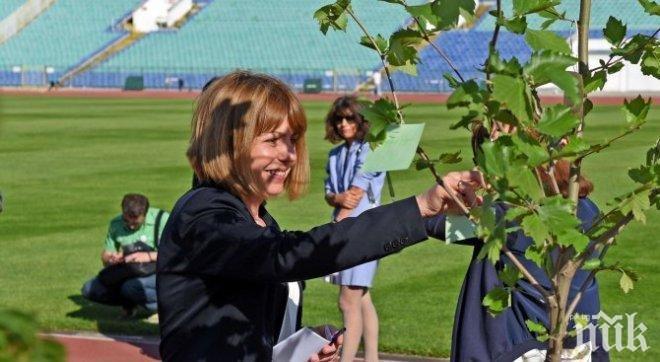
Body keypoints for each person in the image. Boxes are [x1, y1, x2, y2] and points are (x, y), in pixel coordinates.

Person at [156, 71, 482, 362]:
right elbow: (287, 255)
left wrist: (296, 352)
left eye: (292, 139)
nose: (288, 155)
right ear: (230, 144)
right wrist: (420, 209)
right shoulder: (203, 216)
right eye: (272, 140)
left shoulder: (261, 221)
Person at [425, 123, 609, 361]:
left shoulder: (510, 217)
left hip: (523, 347)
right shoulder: (590, 209)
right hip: (580, 344)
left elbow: (435, 224)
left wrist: (460, 197)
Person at [323, 96, 384, 362]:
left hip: (362, 231)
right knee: (361, 300)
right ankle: (371, 359)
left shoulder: (372, 150)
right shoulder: (335, 155)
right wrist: (337, 199)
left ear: (361, 121)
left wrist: (335, 226)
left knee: (347, 302)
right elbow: (331, 194)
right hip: (346, 227)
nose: (344, 124)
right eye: (339, 119)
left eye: (350, 118)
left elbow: (356, 194)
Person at [82, 193, 169, 317]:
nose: (131, 226)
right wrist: (111, 258)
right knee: (90, 289)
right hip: (130, 271)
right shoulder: (116, 224)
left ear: (145, 213)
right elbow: (106, 255)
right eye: (127, 221)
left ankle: (163, 310)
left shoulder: (163, 219)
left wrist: (149, 256)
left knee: (131, 287)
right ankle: (130, 304)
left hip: (160, 271)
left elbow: (181, 253)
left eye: (136, 223)